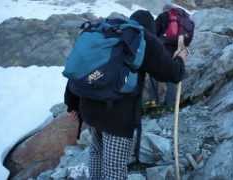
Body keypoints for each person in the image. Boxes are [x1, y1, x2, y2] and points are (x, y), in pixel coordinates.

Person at [64, 10, 188, 180]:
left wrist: (71, 103)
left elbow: (80, 70)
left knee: (96, 151)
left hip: (90, 107)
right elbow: (172, 74)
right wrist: (181, 59)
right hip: (118, 116)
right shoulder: (144, 38)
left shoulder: (110, 33)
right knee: (114, 168)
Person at [147, 4, 193, 108]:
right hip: (178, 52)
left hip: (163, 51)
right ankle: (171, 105)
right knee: (173, 77)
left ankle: (153, 102)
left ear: (165, 10)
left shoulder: (163, 17)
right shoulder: (184, 20)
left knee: (153, 74)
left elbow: (152, 34)